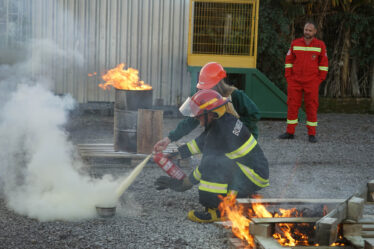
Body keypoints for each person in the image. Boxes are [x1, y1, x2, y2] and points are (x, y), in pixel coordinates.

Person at [154, 89, 269, 223]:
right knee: (217, 162)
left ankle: (217, 211)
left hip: (253, 176)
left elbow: (205, 166)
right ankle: (236, 195)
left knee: (213, 165)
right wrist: (176, 154)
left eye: (198, 114)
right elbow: (201, 142)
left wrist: (184, 184)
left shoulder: (222, 132)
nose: (196, 117)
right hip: (252, 170)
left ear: (210, 113)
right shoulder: (224, 120)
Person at [153, 62, 260, 153]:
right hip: (224, 138)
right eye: (203, 88)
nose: (205, 91)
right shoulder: (206, 98)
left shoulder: (235, 95)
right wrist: (169, 138)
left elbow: (255, 114)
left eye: (208, 87)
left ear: (217, 84)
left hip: (244, 140)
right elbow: (191, 121)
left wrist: (237, 128)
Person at [278, 20, 328, 143]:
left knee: (312, 106)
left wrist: (319, 80)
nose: (307, 32)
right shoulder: (295, 43)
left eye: (310, 30)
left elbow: (324, 64)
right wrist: (289, 78)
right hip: (295, 81)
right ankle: (290, 132)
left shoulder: (320, 45)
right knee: (292, 106)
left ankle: (312, 134)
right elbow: (288, 61)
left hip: (312, 82)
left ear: (315, 32)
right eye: (306, 29)